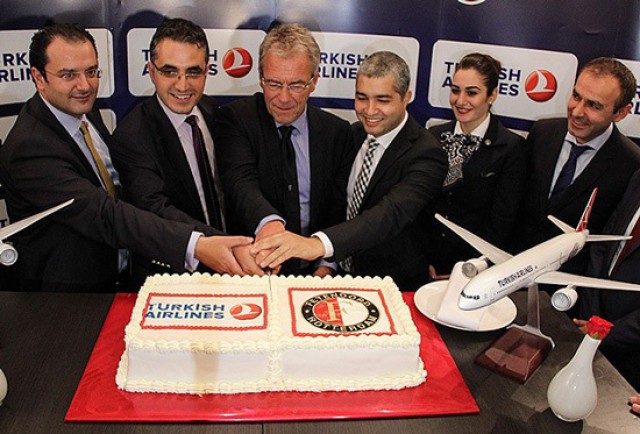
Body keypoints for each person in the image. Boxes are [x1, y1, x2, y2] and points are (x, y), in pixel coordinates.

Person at [0, 23, 251, 292]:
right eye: (68, 75)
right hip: (66, 295)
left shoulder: (81, 110)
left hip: (115, 278)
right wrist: (196, 245)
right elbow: (105, 215)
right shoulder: (30, 147)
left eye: (91, 72)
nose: (84, 85)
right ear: (38, 77)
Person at [250, 51, 448, 290]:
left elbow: (390, 214)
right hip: (340, 278)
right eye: (362, 98)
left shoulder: (426, 152)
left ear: (406, 97)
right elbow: (336, 206)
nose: (370, 110)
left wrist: (316, 245)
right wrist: (327, 265)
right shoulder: (352, 135)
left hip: (393, 285)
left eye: (383, 100)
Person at [109, 18, 254, 279]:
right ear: (151, 71)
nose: (182, 85)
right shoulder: (131, 136)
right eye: (169, 71)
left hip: (233, 268)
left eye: (193, 72)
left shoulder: (212, 111)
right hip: (172, 274)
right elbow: (155, 209)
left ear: (207, 70)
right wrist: (226, 245)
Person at [215, 23, 354, 277]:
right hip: (253, 270)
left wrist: (326, 267)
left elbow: (336, 210)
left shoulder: (337, 132)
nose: (284, 97)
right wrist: (269, 224)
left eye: (297, 85)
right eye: (274, 84)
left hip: (315, 274)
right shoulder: (235, 119)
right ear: (260, 78)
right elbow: (240, 184)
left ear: (314, 81)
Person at [516, 57, 640, 276]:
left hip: (569, 284)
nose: (576, 112)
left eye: (594, 105)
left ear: (621, 113)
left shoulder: (631, 164)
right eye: (576, 96)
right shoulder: (542, 132)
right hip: (513, 267)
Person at [427, 53, 526, 279]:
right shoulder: (434, 136)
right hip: (426, 264)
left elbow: (502, 222)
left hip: (474, 270)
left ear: (492, 95)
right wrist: (424, 259)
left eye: (471, 92)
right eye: (455, 90)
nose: (460, 101)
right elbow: (422, 206)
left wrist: (471, 268)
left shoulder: (511, 147)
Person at [572, 169, 640, 390]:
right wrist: (592, 318)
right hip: (588, 324)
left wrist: (603, 334)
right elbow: (603, 245)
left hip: (629, 363)